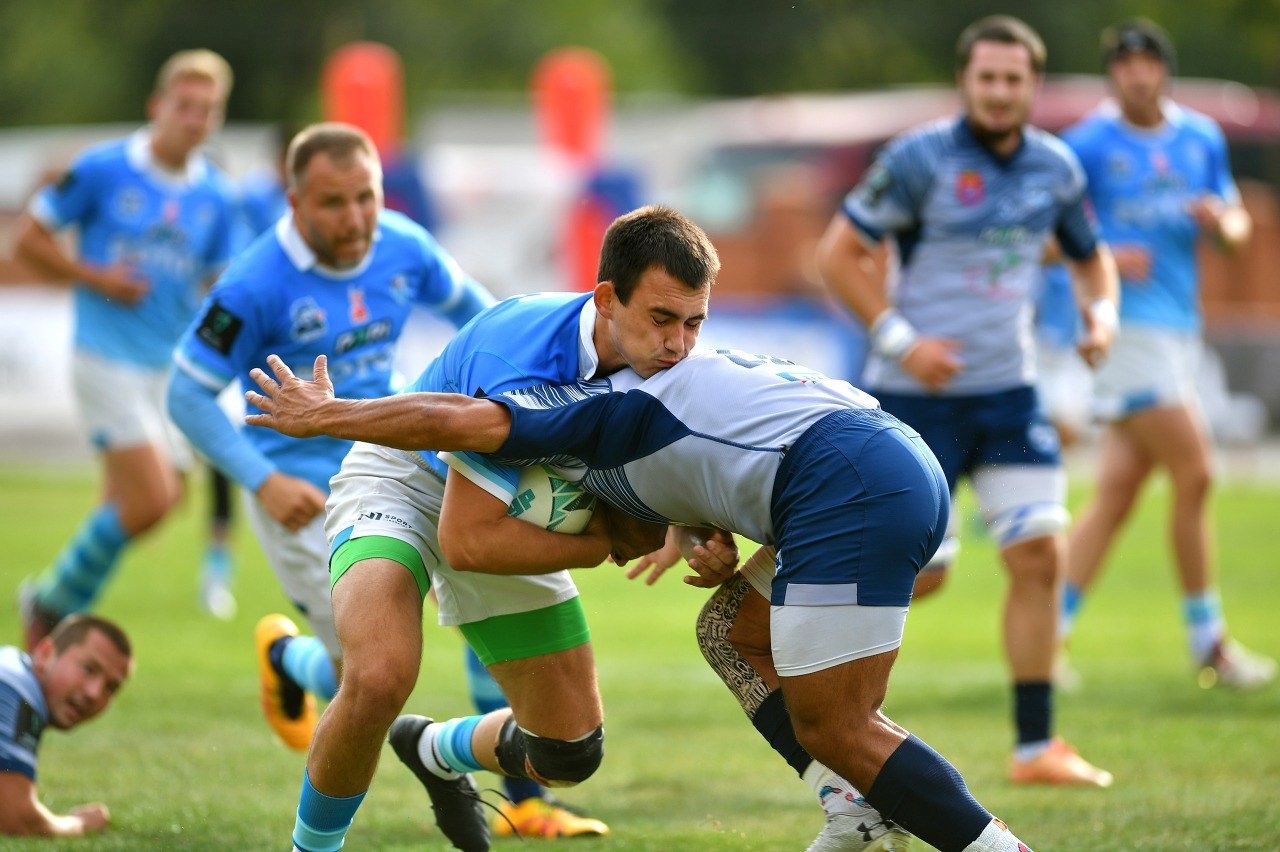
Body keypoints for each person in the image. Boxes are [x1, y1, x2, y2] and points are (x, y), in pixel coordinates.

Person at [245, 343, 1037, 852]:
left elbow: (457, 419)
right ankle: (852, 805)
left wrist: (329, 414)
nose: (675, 340)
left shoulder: (598, 410)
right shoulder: (658, 387)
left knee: (838, 722)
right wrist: (695, 529)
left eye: (685, 321)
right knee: (731, 633)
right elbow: (719, 455)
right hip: (883, 458)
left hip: (847, 487)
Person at [224, 204, 715, 852]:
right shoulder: (523, 354)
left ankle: (434, 750)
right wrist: (602, 544)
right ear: (606, 299)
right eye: (661, 319)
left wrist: (694, 530)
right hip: (406, 483)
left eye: (694, 323)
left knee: (569, 752)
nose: (679, 344)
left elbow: (694, 467)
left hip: (511, 503)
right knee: (378, 677)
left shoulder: (670, 370)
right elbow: (468, 540)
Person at [814, 15, 1120, 787]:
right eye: (986, 78)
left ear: (1033, 86)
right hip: (916, 401)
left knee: (1039, 555)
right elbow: (838, 253)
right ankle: (821, 685)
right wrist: (902, 340)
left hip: (1010, 396)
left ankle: (1035, 748)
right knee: (925, 575)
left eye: (1013, 79)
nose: (999, 92)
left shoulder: (1055, 167)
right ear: (964, 82)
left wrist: (1102, 314)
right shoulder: (918, 158)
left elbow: (1091, 259)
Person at [167, 121, 495, 753]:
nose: (356, 218)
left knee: (492, 588)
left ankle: (523, 788)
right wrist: (263, 481)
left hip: (400, 462)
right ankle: (289, 659)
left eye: (366, 197)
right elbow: (185, 394)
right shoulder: (251, 285)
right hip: (303, 490)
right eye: (333, 202)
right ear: (295, 203)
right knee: (368, 677)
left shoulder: (404, 245)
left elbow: (482, 319)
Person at [1059, 19, 1276, 689]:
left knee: (1117, 494)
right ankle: (1208, 640)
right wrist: (1104, 254)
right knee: (1197, 471)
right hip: (1124, 327)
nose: (1136, 74)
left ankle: (1047, 631)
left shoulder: (1199, 138)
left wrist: (1222, 223)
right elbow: (1053, 231)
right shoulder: (1087, 144)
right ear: (1111, 75)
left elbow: (1236, 225)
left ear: (1163, 71)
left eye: (1147, 62)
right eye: (1124, 64)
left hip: (1180, 327)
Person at [11, 49, 238, 648]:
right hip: (104, 356)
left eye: (208, 109)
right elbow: (27, 240)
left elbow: (214, 283)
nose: (195, 119)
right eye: (185, 105)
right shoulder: (103, 168)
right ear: (157, 106)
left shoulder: (217, 195)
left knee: (152, 500)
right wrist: (96, 277)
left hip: (168, 368)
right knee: (153, 498)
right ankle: (51, 605)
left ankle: (57, 620)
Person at [0, 615, 133, 837]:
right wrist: (79, 823)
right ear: (45, 654)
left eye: (110, 687)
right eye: (88, 669)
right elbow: (15, 818)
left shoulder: (9, 663)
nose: (94, 693)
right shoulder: (13, 688)